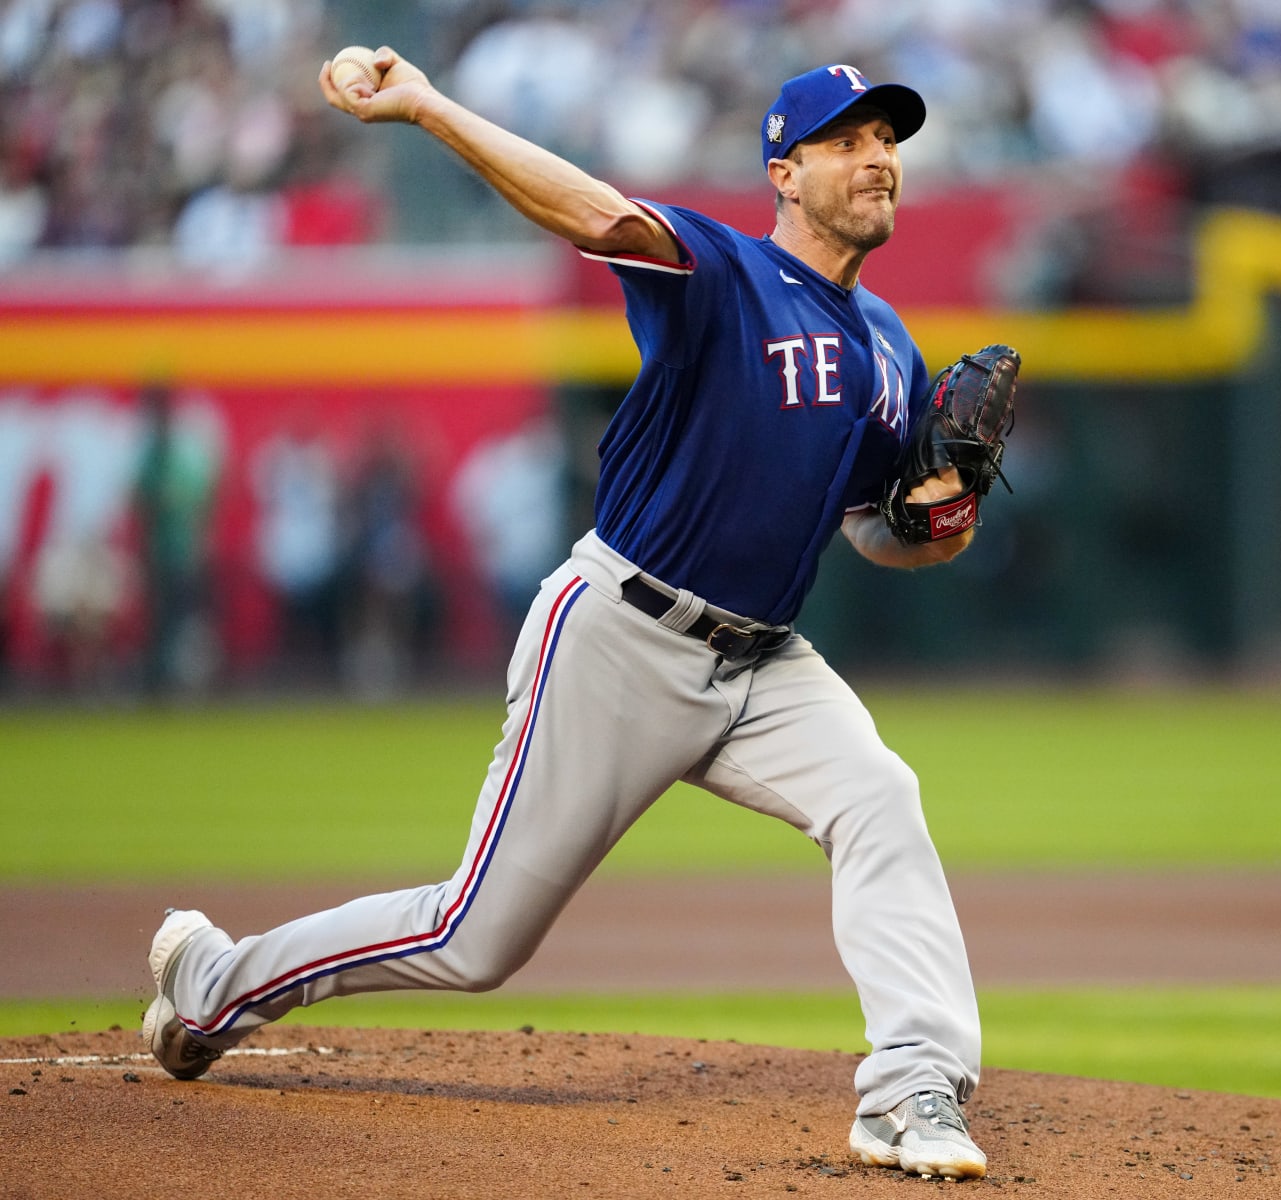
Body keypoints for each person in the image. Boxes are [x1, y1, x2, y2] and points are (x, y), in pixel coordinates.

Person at [140, 49, 992, 1181]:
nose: (878, 159)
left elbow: (868, 531)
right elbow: (591, 211)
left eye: (888, 140)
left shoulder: (890, 344)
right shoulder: (723, 272)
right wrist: (429, 107)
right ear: (785, 172)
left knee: (880, 796)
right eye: (848, 141)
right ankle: (218, 979)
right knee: (472, 939)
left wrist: (938, 524)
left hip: (764, 660)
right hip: (621, 635)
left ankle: (913, 1089)